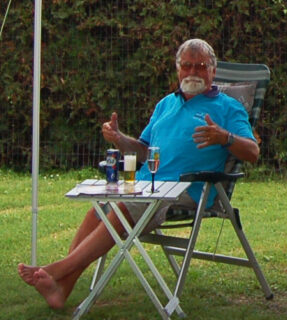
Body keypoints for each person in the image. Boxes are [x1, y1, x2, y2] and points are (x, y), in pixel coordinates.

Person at [18, 38, 259, 309]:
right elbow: (143, 151)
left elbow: (252, 152)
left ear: (213, 71)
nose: (193, 72)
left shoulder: (228, 107)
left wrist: (225, 137)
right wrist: (119, 138)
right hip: (148, 185)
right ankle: (62, 289)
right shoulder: (165, 104)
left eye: (201, 66)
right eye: (187, 65)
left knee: (122, 208)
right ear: (177, 69)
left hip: (187, 190)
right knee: (97, 210)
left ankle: (57, 270)